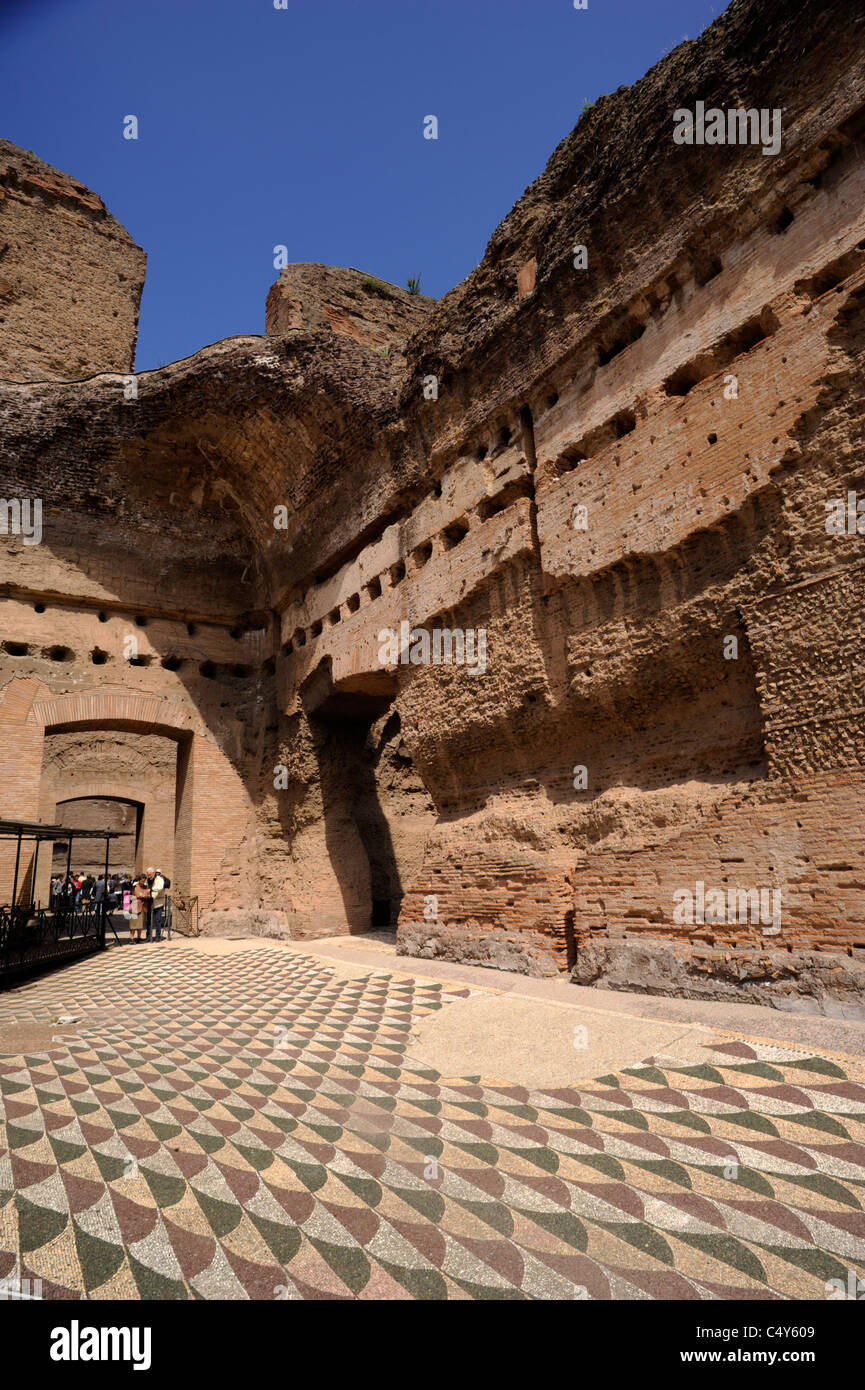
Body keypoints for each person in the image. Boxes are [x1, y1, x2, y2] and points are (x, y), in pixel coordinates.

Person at [144, 866, 170, 942]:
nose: (148, 876)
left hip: (158, 902)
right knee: (148, 920)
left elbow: (160, 887)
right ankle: (148, 936)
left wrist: (151, 889)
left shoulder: (159, 879)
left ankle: (158, 936)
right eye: (147, 875)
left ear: (153, 873)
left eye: (150, 874)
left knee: (158, 920)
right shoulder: (147, 880)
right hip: (149, 902)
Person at [130, 874, 148, 943]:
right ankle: (131, 938)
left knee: (140, 923)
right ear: (139, 880)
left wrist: (144, 895)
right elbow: (138, 895)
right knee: (134, 923)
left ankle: (139, 938)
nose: (143, 882)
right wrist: (143, 895)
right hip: (135, 906)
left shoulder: (145, 887)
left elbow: (147, 895)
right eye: (142, 881)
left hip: (143, 907)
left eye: (144, 881)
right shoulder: (135, 887)